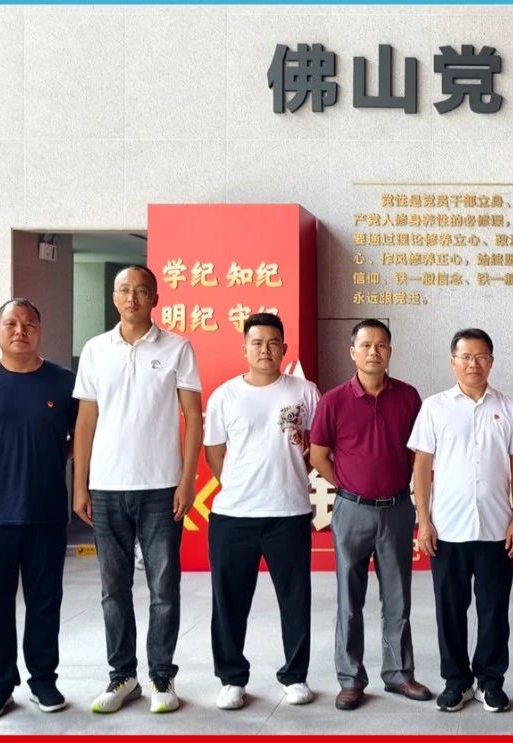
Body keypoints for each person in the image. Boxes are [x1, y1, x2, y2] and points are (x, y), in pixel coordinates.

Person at [72, 266, 203, 714]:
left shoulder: (177, 348)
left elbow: (193, 417)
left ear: (155, 298)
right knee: (114, 589)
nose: (132, 298)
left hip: (161, 487)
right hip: (107, 488)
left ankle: (161, 676)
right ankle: (122, 676)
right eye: (124, 291)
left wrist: (187, 479)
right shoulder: (95, 350)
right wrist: (81, 484)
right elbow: (85, 421)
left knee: (164, 588)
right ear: (114, 297)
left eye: (141, 291)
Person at [0, 299, 78, 719]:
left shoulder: (63, 382)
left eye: (28, 323)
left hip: (46, 512)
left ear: (40, 330)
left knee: (45, 603)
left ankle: (43, 681)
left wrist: (51, 460)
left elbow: (79, 437)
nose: (20, 330)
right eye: (11, 324)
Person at [310, 319, 432, 710]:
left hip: (396, 509)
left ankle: (398, 674)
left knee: (397, 598)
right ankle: (350, 679)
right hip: (352, 511)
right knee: (350, 599)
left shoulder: (408, 397)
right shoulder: (333, 401)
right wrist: (347, 485)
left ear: (390, 351)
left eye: (381, 345)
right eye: (365, 345)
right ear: (353, 352)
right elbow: (318, 455)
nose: (373, 352)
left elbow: (417, 454)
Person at [408, 328, 513, 713]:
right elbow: (422, 467)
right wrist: (424, 521)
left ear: (491, 361)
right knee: (450, 610)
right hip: (447, 528)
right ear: (453, 362)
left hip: (497, 528)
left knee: (494, 610)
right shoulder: (434, 408)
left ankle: (490, 682)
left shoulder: (510, 408)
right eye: (465, 356)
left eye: (480, 356)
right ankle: (456, 681)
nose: (473, 363)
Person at [203, 313, 321, 711]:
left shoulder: (304, 391)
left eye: (273, 343)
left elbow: (318, 444)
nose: (265, 350)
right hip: (233, 516)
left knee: (295, 598)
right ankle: (232, 679)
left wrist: (293, 473)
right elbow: (214, 451)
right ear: (244, 349)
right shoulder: (225, 396)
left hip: (289, 512)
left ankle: (295, 676)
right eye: (257, 343)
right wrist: (237, 484)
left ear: (284, 348)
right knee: (229, 602)